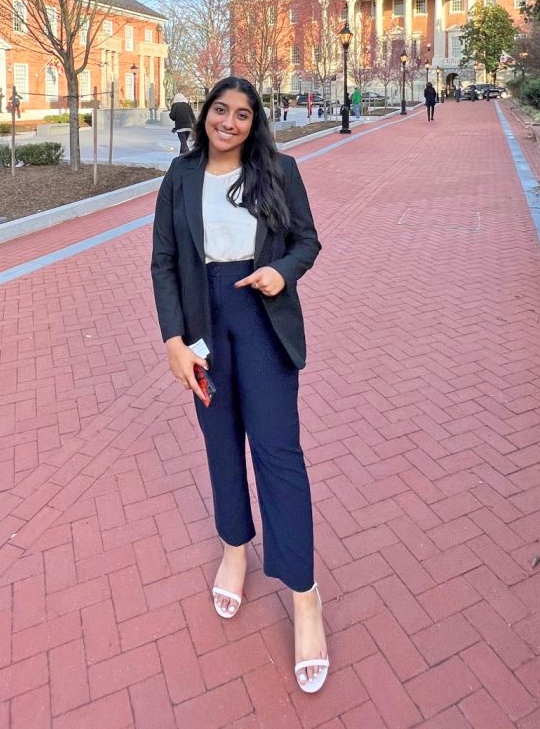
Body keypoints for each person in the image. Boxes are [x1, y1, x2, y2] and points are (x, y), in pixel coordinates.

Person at [150, 76, 328, 694]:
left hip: (261, 321)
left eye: (242, 114)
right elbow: (165, 260)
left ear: (255, 123)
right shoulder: (180, 176)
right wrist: (173, 341)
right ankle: (235, 548)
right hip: (203, 328)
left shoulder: (279, 169)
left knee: (278, 456)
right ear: (204, 115)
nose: (229, 122)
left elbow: (307, 241)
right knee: (221, 445)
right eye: (220, 111)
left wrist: (281, 272)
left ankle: (305, 596)